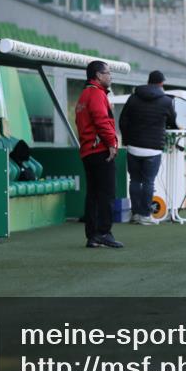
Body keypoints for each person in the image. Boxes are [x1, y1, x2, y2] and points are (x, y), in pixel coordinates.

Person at [119, 70, 177, 226]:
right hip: (153, 148)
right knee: (149, 182)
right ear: (161, 83)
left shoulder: (133, 98)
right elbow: (173, 120)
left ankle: (136, 214)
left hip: (133, 147)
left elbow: (123, 120)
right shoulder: (166, 101)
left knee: (135, 181)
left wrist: (126, 139)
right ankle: (145, 215)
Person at [75, 61, 123, 248]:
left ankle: (93, 235)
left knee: (93, 194)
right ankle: (104, 232)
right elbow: (102, 120)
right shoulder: (96, 94)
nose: (110, 76)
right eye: (108, 73)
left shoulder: (84, 95)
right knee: (106, 193)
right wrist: (111, 142)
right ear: (97, 75)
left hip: (88, 150)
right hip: (100, 149)